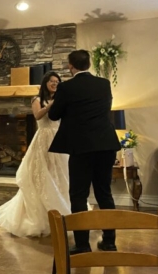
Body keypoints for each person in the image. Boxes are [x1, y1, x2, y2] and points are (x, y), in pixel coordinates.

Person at [48, 50, 121, 254]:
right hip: (106, 144)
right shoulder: (104, 84)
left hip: (81, 147)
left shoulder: (66, 87)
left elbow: (54, 115)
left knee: (79, 195)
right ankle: (109, 241)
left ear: (71, 66)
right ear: (89, 64)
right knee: (104, 193)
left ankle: (82, 244)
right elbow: (104, 108)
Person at [0, 72, 70, 237]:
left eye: (57, 82)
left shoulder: (61, 99)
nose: (55, 84)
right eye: (52, 81)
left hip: (59, 138)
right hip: (43, 138)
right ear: (45, 83)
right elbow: (37, 115)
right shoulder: (37, 99)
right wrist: (50, 105)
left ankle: (62, 210)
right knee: (41, 175)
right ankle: (40, 216)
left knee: (59, 175)